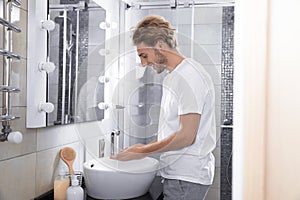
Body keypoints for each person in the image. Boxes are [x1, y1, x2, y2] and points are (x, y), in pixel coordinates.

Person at [112, 15, 216, 200]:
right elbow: (172, 132)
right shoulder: (173, 77)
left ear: (160, 45)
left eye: (144, 55)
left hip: (186, 178)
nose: (143, 63)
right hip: (177, 175)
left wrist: (142, 152)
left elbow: (186, 136)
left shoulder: (190, 76)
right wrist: (141, 148)